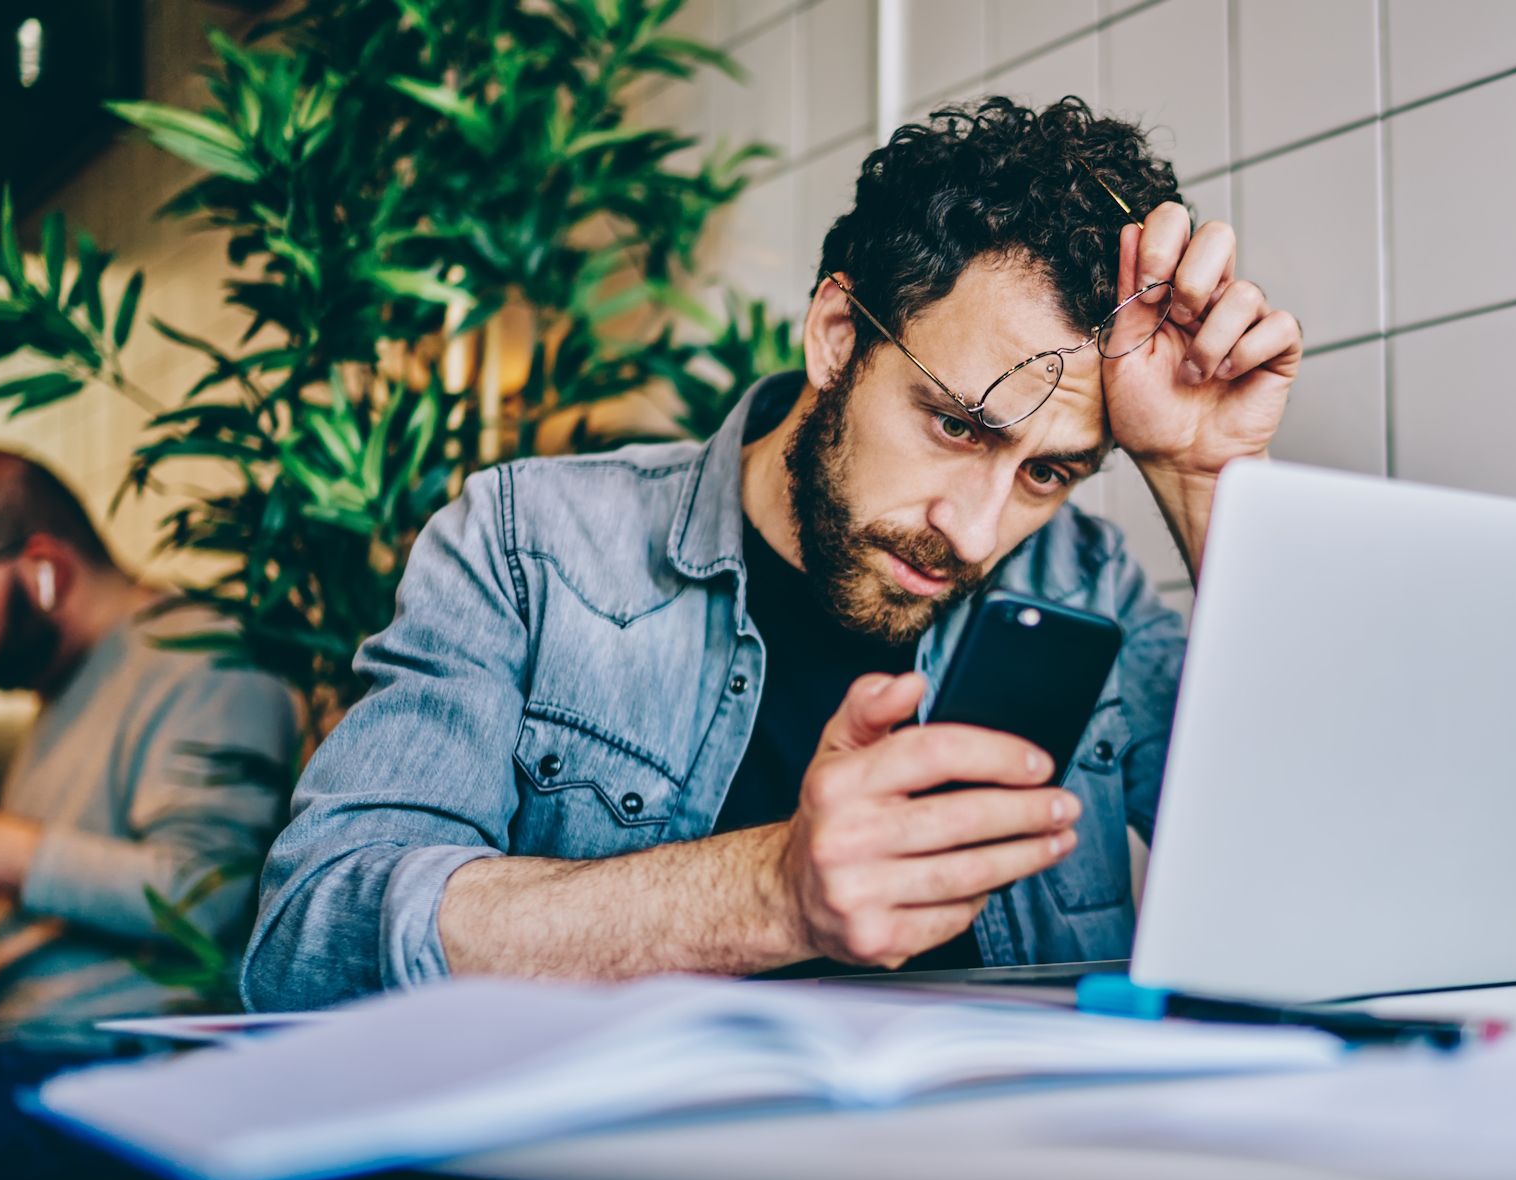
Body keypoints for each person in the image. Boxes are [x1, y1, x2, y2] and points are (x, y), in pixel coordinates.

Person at [242, 97, 1301, 1010]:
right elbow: (307, 944)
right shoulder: (531, 548)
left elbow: (1340, 901)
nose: (977, 532)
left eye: (1047, 471)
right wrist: (771, 893)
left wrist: (1207, 482)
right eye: (958, 425)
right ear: (838, 335)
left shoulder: (1087, 584)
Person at [0, 451, 297, 1027]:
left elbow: (204, 899)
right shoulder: (64, 683)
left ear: (44, 567)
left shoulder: (203, 656)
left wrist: (8, 852)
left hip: (106, 1055)